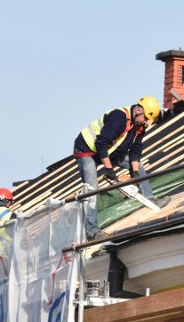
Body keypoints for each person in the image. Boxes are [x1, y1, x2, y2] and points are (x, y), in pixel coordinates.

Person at [73, 96, 171, 241]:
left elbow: (136, 151)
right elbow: (101, 143)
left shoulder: (140, 126)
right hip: (87, 150)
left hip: (111, 151)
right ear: (138, 110)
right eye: (145, 118)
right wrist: (108, 169)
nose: (145, 122)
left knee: (140, 167)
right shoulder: (119, 117)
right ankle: (92, 232)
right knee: (91, 189)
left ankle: (149, 197)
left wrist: (136, 172)